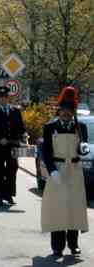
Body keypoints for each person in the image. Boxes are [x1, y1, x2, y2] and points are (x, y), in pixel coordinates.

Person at [41, 86, 89, 258]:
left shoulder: (80, 127)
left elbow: (81, 148)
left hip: (75, 170)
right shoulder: (50, 127)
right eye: (64, 110)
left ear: (73, 111)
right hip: (58, 171)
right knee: (58, 208)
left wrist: (83, 149)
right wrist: (52, 171)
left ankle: (73, 244)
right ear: (59, 110)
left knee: (74, 208)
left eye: (70, 111)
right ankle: (57, 246)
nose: (66, 114)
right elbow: (45, 151)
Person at [0, 86, 26, 207]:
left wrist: (24, 136)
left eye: (5, 97)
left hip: (13, 145)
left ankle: (9, 194)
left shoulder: (15, 111)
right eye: (0, 97)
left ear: (8, 98)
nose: (3, 99)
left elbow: (21, 127)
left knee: (12, 169)